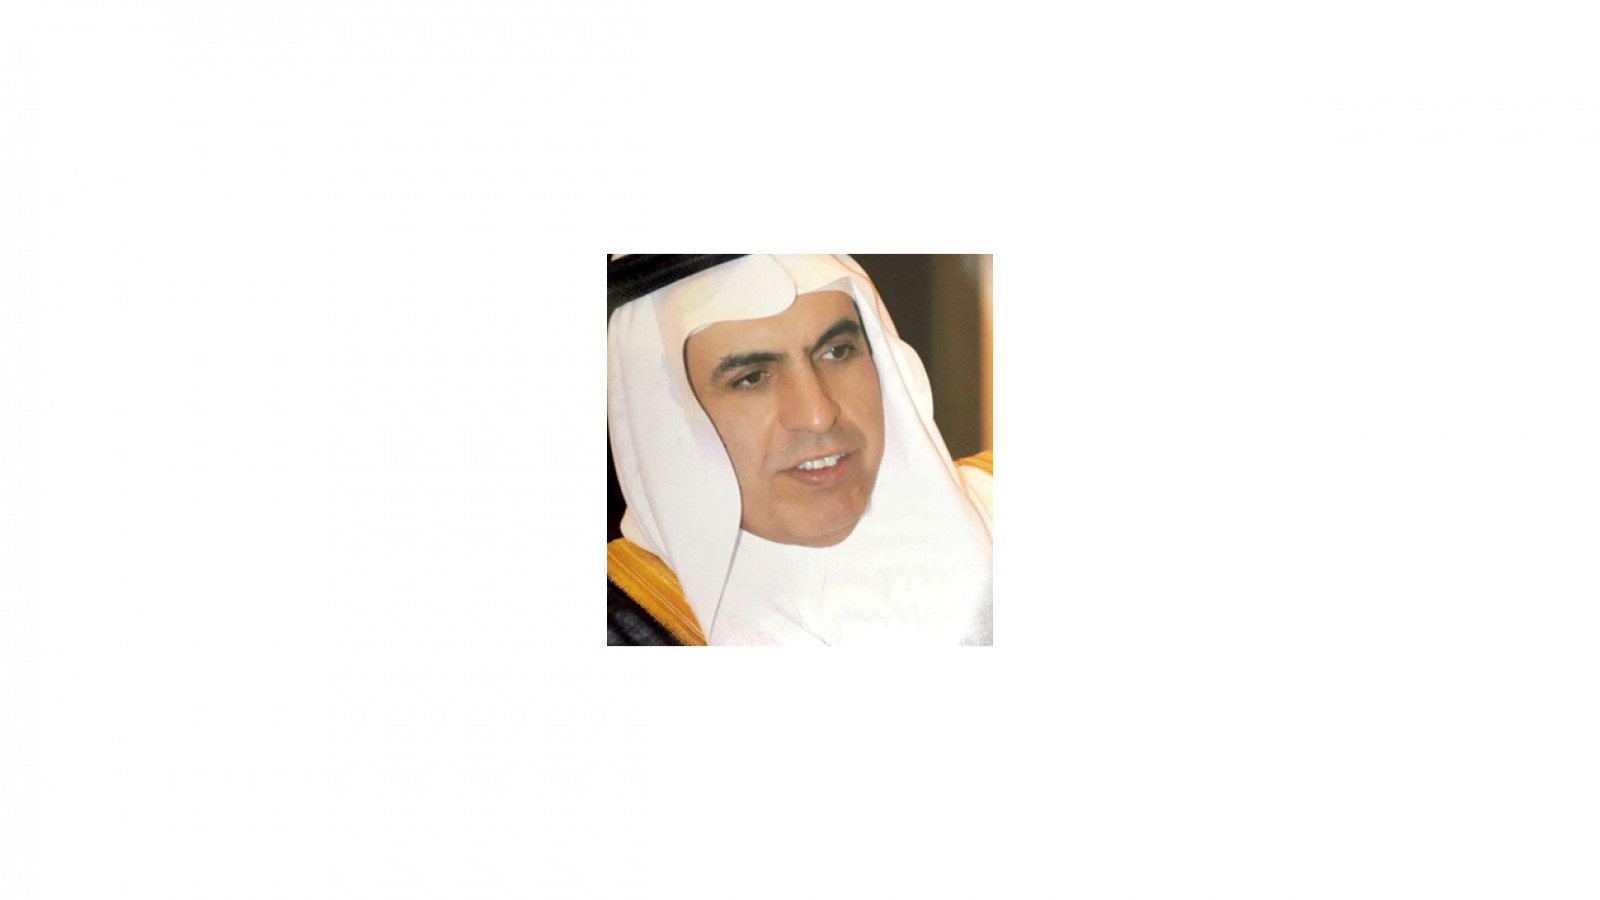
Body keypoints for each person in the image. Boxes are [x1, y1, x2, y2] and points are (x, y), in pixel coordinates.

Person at [606, 254, 993, 646]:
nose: (818, 415)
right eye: (751, 378)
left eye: (837, 352)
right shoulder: (624, 627)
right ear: (666, 421)